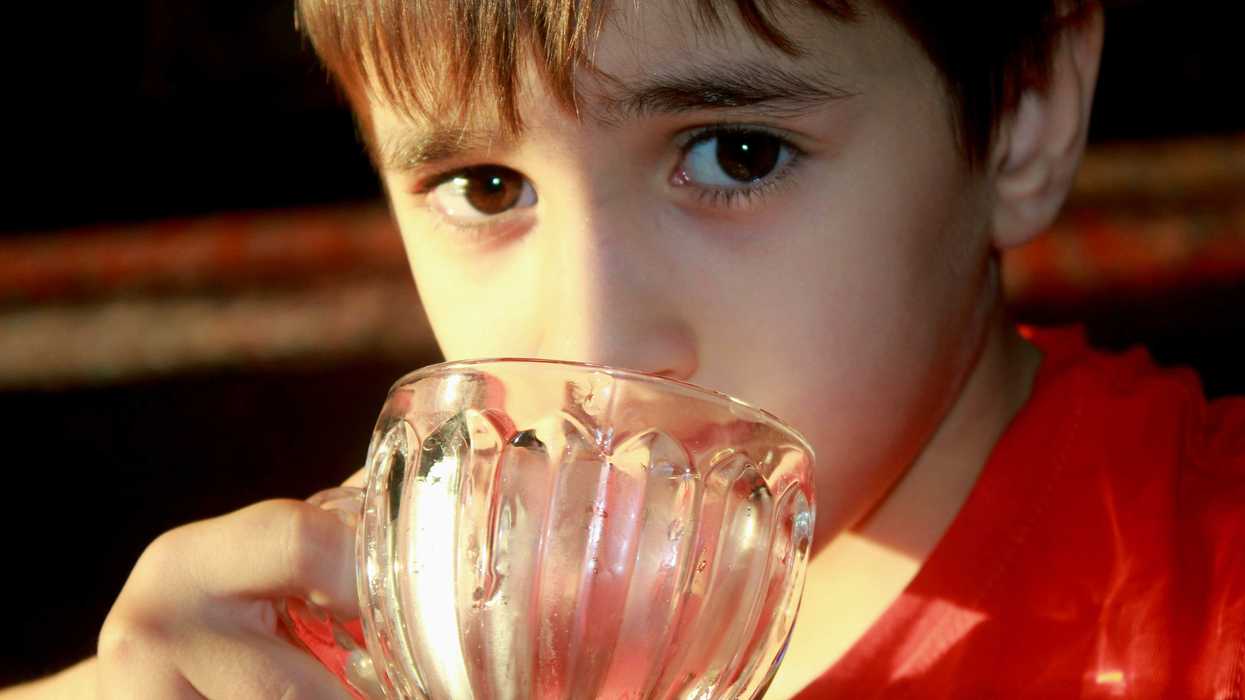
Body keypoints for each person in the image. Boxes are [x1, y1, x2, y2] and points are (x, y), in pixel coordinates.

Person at [8, 0, 1244, 697]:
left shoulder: (1203, 608)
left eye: (736, 154)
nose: (594, 344)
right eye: (486, 185)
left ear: (1025, 115)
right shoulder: (399, 641)